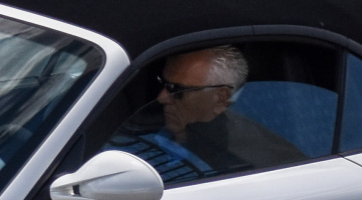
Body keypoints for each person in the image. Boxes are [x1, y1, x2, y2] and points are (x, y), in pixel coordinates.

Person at [108, 44, 308, 182]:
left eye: (176, 90)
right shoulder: (144, 120)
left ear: (220, 98)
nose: (162, 97)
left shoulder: (248, 163)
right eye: (163, 84)